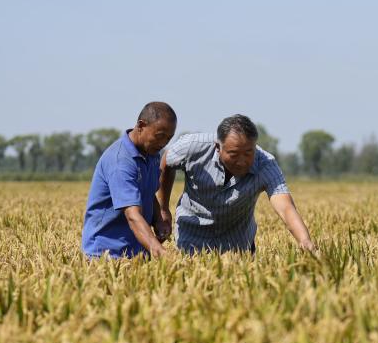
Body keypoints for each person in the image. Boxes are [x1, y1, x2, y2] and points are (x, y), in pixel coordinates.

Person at [156, 114, 314, 254]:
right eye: (233, 154)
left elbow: (285, 207)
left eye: (248, 153)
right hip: (191, 240)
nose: (241, 161)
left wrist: (305, 241)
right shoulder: (192, 147)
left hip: (238, 247)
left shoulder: (265, 164)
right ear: (218, 147)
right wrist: (163, 208)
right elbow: (166, 161)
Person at [81, 102, 177, 258]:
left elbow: (147, 192)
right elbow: (132, 216)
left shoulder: (152, 153)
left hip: (136, 253)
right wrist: (160, 252)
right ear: (141, 126)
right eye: (159, 136)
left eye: (169, 138)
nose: (163, 143)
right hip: (106, 255)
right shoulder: (120, 161)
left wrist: (158, 220)